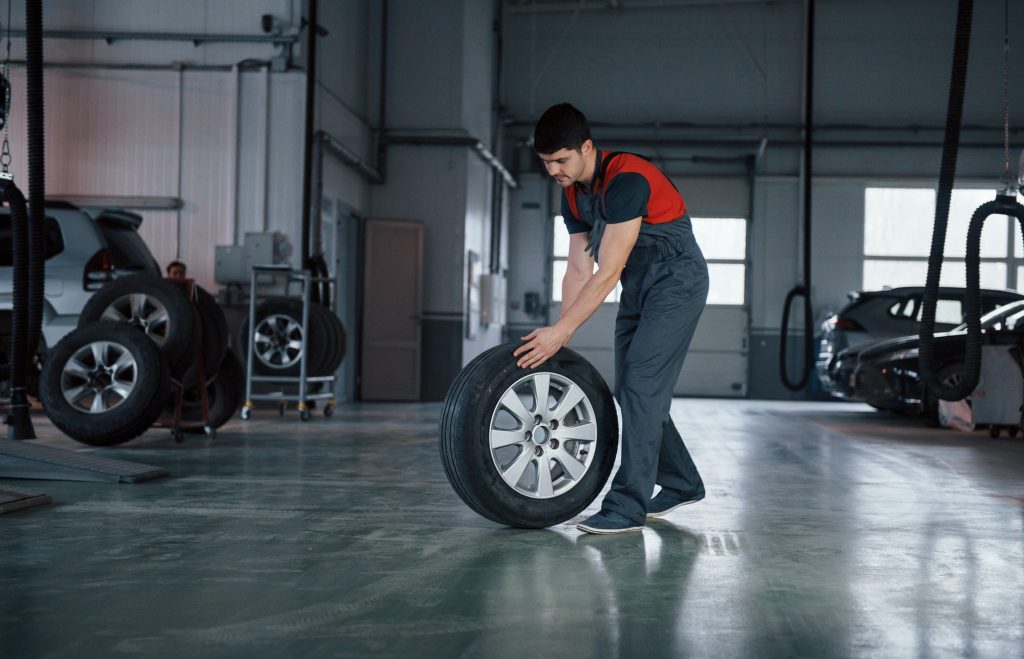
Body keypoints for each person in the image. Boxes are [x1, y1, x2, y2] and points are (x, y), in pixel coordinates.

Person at [513, 103, 709, 534]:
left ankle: (626, 507)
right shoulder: (572, 195)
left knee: (641, 386)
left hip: (677, 279)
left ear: (586, 147)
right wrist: (560, 336)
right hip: (640, 284)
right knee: (631, 390)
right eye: (546, 163)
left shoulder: (627, 179)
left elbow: (608, 270)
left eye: (561, 160)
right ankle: (681, 481)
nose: (554, 171)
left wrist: (563, 331)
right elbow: (578, 269)